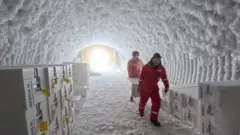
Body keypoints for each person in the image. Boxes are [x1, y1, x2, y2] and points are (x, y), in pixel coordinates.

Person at [138, 53, 169, 127]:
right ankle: (141, 110)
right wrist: (140, 86)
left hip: (154, 89)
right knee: (143, 101)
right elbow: (141, 77)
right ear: (152, 59)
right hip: (145, 88)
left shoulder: (162, 69)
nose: (157, 60)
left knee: (157, 103)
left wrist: (166, 86)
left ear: (160, 60)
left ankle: (153, 119)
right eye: (155, 58)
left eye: (158, 59)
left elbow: (164, 78)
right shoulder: (146, 67)